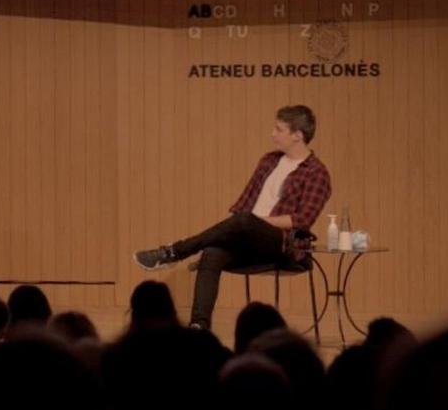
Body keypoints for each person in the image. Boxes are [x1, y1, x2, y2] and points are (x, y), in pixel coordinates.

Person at [134, 105, 331, 330]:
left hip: (283, 245)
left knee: (244, 220)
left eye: (279, 129)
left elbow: (302, 221)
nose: (272, 134)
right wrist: (238, 229)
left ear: (297, 135)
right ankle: (199, 327)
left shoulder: (316, 172)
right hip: (248, 236)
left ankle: (174, 252)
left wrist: (254, 223)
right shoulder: (269, 161)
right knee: (212, 253)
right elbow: (243, 205)